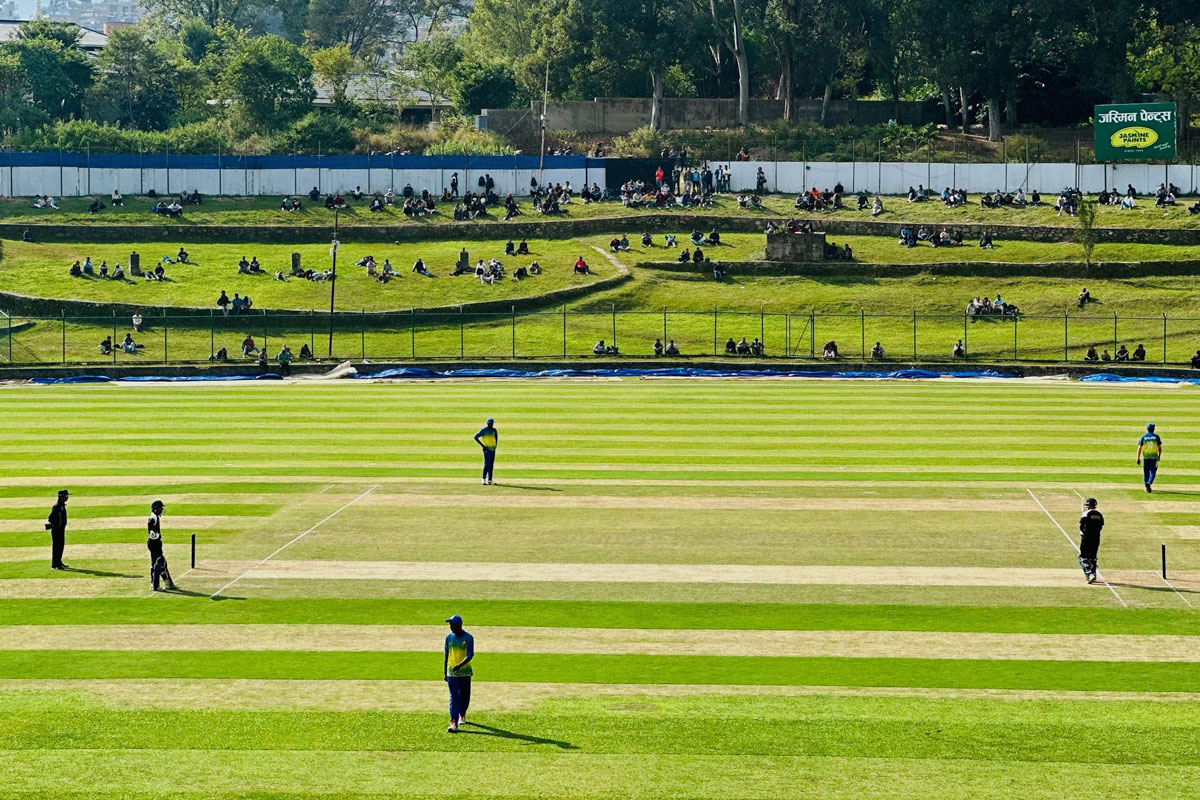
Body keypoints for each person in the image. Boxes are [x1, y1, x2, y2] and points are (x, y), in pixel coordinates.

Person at [444, 614, 474, 733]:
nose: (450, 627)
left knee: (465, 696)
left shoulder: (468, 637)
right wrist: (445, 671)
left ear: (458, 625)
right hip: (452, 673)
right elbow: (446, 654)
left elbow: (470, 654)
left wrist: (460, 666)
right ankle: (453, 722)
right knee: (454, 697)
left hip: (465, 672)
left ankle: (462, 714)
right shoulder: (449, 637)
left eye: (452, 625)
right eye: (450, 625)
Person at [147, 499, 175, 591]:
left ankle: (167, 583)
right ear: (155, 509)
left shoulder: (156, 516)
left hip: (156, 543)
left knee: (162, 562)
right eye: (160, 508)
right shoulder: (153, 518)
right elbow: (150, 528)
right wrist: (155, 535)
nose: (161, 510)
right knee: (157, 563)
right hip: (154, 543)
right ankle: (154, 585)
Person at [1078, 497, 1104, 584]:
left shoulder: (1086, 514)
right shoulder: (1100, 515)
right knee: (1093, 557)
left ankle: (1089, 574)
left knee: (1082, 557)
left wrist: (1083, 533)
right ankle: (1093, 573)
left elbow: (1082, 526)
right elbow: (1100, 527)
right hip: (1096, 538)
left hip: (1087, 537)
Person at [46, 489, 69, 570]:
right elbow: (50, 518)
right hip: (57, 530)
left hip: (61, 529)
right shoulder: (57, 506)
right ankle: (55, 564)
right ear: (61, 497)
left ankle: (59, 562)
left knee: (60, 546)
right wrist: (56, 525)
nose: (67, 498)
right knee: (57, 547)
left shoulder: (61, 505)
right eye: (66, 496)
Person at [1137, 423, 1163, 493]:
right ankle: (1149, 483)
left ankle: (1146, 486)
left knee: (1146, 472)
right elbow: (1160, 448)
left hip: (1146, 457)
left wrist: (1138, 458)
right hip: (1154, 457)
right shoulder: (1156, 437)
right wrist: (1159, 455)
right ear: (1153, 429)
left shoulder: (1143, 437)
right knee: (1153, 472)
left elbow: (1139, 448)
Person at [474, 418, 498, 485]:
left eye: (490, 424)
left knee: (491, 465)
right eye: (488, 424)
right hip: (487, 450)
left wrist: (495, 446)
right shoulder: (484, 430)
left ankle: (490, 479)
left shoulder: (494, 430)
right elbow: (475, 437)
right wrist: (483, 445)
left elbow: (496, 438)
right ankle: (483, 478)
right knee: (487, 464)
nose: (490, 425)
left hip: (493, 449)